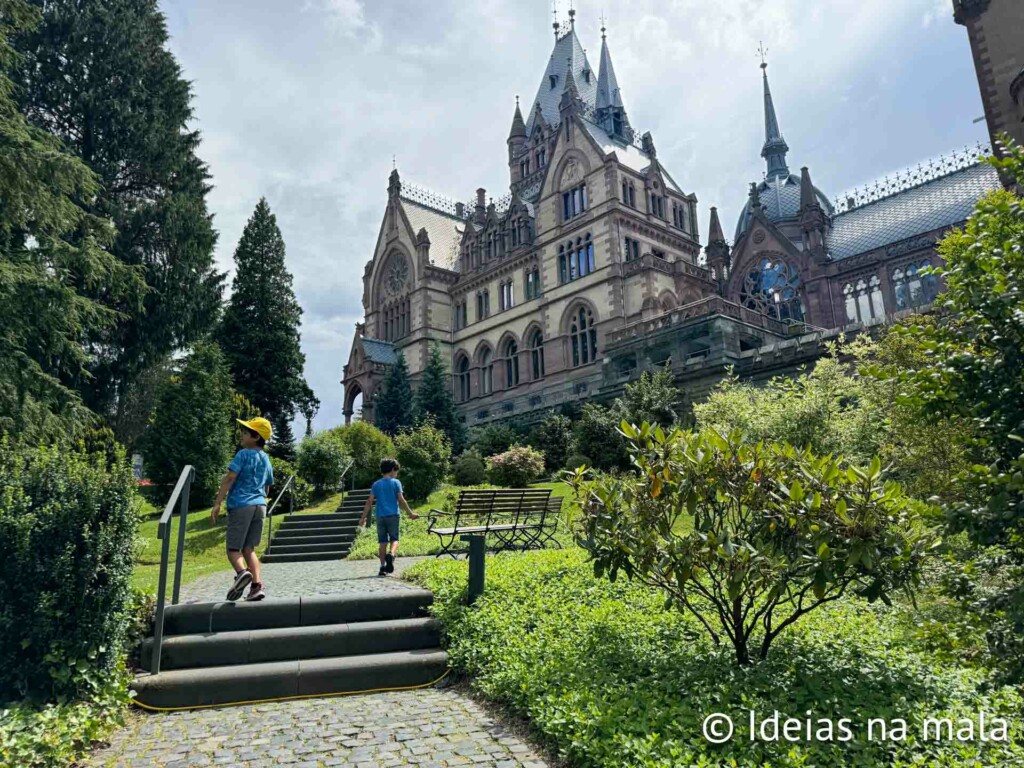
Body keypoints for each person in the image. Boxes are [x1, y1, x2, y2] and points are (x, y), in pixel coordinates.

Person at [212, 417, 274, 601]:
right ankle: (256, 587)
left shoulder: (243, 454)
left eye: (246, 432)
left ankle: (241, 573)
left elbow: (230, 478)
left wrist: (218, 502)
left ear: (255, 437)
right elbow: (268, 486)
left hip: (241, 505)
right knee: (249, 549)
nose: (242, 435)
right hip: (260, 505)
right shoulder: (266, 459)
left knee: (233, 549)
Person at [360, 458, 419, 576]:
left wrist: (363, 517)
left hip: (380, 516)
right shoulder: (396, 482)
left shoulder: (376, 484)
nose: (396, 474)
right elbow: (401, 500)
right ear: (393, 470)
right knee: (395, 539)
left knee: (382, 542)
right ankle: (391, 555)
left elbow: (369, 501)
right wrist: (410, 513)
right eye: (396, 471)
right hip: (393, 515)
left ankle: (382, 567)